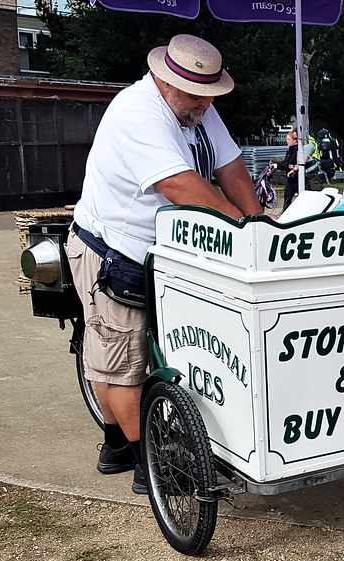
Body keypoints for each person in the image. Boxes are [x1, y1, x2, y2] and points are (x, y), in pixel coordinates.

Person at [66, 34, 262, 496]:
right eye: (196, 96)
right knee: (123, 362)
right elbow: (181, 186)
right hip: (115, 250)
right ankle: (147, 465)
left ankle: (115, 444)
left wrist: (257, 223)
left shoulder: (197, 108)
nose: (204, 105)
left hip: (162, 250)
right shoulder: (139, 114)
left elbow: (231, 169)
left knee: (124, 353)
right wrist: (242, 229)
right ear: (164, 80)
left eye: (211, 96)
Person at [281, 129, 300, 208]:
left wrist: (280, 165)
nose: (287, 141)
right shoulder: (289, 151)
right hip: (290, 180)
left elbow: (290, 163)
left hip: (296, 179)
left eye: (289, 139)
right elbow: (285, 163)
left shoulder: (297, 151)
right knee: (286, 200)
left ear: (295, 141)